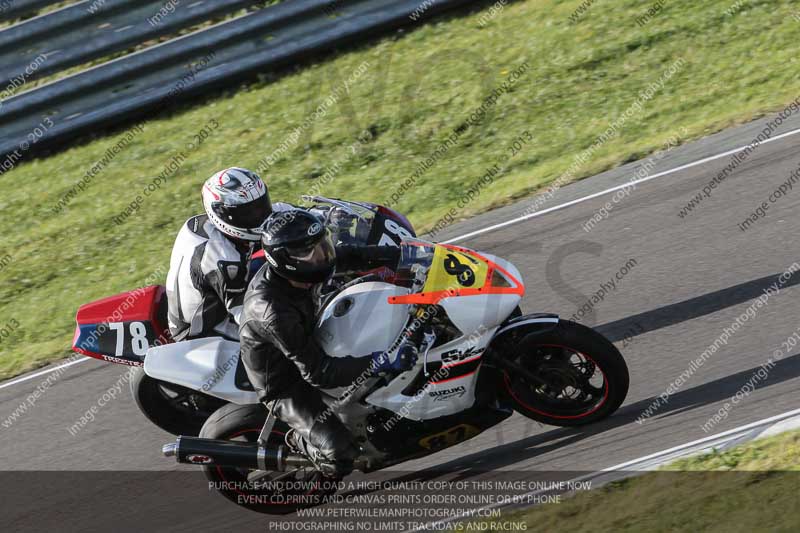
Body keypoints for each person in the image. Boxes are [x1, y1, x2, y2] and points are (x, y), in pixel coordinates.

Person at [239, 208, 417, 477]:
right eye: (310, 251)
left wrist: (413, 255)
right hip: (286, 382)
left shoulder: (308, 266)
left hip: (310, 336)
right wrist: (385, 359)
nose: (322, 254)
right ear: (285, 259)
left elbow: (356, 256)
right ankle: (299, 442)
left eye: (322, 243)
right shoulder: (272, 311)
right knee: (340, 456)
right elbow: (319, 373)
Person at [166, 167, 291, 341]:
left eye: (261, 205)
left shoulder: (214, 227)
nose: (260, 216)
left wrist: (329, 213)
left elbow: (289, 213)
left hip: (220, 288)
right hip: (204, 328)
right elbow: (246, 317)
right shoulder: (222, 257)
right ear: (221, 214)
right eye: (249, 212)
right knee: (281, 335)